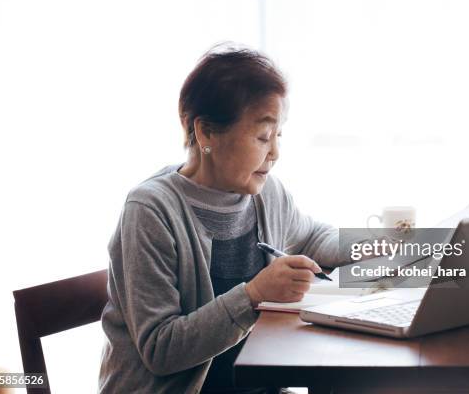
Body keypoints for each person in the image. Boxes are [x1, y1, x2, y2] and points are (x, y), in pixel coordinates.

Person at [98, 45, 351, 393]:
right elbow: (161, 349)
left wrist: (381, 243)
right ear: (206, 134)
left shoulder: (266, 194)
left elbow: (311, 237)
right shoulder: (150, 210)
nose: (275, 153)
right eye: (263, 136)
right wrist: (253, 295)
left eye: (278, 135)